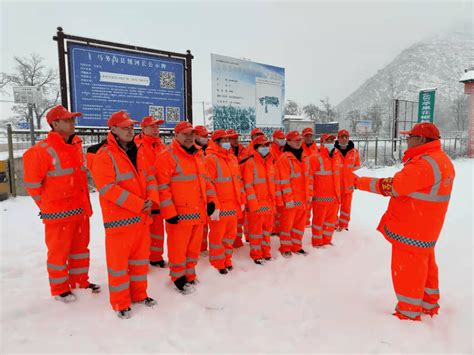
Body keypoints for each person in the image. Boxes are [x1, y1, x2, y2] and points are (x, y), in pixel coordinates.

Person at [354, 122, 455, 321]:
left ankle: (408, 314)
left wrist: (358, 182)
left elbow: (393, 186)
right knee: (425, 267)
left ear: (422, 140)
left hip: (411, 229)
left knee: (408, 273)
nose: (407, 140)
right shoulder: (442, 160)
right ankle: (428, 304)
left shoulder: (424, 164)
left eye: (410, 136)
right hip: (426, 229)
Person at [23, 104, 100, 303]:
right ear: (54, 123)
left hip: (80, 211)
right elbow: (33, 186)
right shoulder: (40, 151)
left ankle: (79, 282)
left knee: (81, 250)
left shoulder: (74, 146)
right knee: (59, 253)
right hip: (58, 215)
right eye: (67, 120)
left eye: (72, 119)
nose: (72, 123)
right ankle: (59, 289)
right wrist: (48, 207)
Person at [90, 111, 159, 319]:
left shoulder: (139, 151)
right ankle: (120, 302)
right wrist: (139, 204)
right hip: (119, 222)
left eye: (131, 126)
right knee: (119, 266)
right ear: (113, 129)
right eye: (125, 127)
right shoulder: (105, 155)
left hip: (141, 219)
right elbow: (107, 188)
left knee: (139, 263)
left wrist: (151, 200)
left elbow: (150, 178)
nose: (130, 130)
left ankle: (139, 294)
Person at [155, 121, 218, 294]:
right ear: (176, 136)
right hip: (179, 215)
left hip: (198, 212)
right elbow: (163, 188)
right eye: (185, 134)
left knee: (193, 248)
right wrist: (169, 212)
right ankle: (178, 277)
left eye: (192, 134)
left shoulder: (198, 156)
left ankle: (190, 273)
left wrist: (211, 200)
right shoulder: (166, 157)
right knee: (178, 248)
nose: (189, 137)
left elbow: (206, 181)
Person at [205, 129, 246, 274]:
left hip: (233, 206)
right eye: (224, 140)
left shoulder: (232, 158)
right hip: (220, 208)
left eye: (228, 140)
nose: (228, 143)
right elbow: (208, 184)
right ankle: (217, 263)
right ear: (216, 142)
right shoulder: (210, 159)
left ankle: (227, 260)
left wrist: (241, 200)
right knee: (217, 238)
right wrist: (214, 205)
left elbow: (238, 182)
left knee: (230, 237)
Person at [134, 116, 167, 267]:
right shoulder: (136, 145)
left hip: (161, 195)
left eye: (157, 127)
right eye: (152, 126)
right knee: (144, 231)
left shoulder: (161, 146)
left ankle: (156, 257)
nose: (156, 129)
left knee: (158, 229)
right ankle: (142, 258)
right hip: (144, 196)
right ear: (143, 129)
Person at [275, 131, 312, 257]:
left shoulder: (305, 157)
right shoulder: (284, 159)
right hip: (290, 200)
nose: (298, 142)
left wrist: (309, 195)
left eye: (299, 140)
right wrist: (288, 199)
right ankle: (285, 248)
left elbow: (308, 178)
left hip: (302, 199)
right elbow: (283, 182)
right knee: (287, 226)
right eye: (295, 140)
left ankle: (297, 246)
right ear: (288, 141)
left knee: (299, 226)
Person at [241, 135, 276, 265]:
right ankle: (256, 254)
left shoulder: (270, 161)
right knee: (256, 232)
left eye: (267, 145)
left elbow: (273, 183)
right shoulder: (250, 163)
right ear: (256, 148)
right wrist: (254, 204)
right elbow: (248, 185)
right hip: (257, 205)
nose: (265, 148)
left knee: (267, 231)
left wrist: (274, 202)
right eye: (262, 146)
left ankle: (266, 252)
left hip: (268, 203)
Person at [309, 133, 342, 247]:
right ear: (322, 143)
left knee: (330, 221)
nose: (330, 143)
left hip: (334, 197)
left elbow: (338, 176)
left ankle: (327, 240)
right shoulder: (315, 157)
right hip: (320, 197)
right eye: (327, 141)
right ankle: (317, 243)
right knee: (319, 222)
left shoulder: (337, 156)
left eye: (332, 141)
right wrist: (311, 194)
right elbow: (309, 177)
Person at [227, 128, 249, 248]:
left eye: (236, 138)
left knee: (241, 217)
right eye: (232, 138)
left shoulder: (244, 150)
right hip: (231, 188)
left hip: (243, 187)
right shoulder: (226, 152)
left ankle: (238, 242)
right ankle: (231, 242)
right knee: (231, 219)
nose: (235, 140)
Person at [334, 129, 360, 231]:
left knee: (346, 206)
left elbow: (357, 169)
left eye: (346, 137)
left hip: (348, 184)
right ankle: (334, 224)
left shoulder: (354, 152)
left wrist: (357, 182)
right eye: (342, 137)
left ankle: (344, 225)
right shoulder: (333, 151)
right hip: (336, 184)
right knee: (334, 206)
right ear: (338, 138)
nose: (344, 139)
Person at [194, 125, 211, 252]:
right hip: (196, 191)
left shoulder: (210, 149)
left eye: (207, 136)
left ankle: (203, 248)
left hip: (208, 189)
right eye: (203, 136)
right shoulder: (193, 150)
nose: (206, 138)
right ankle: (200, 248)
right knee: (199, 223)